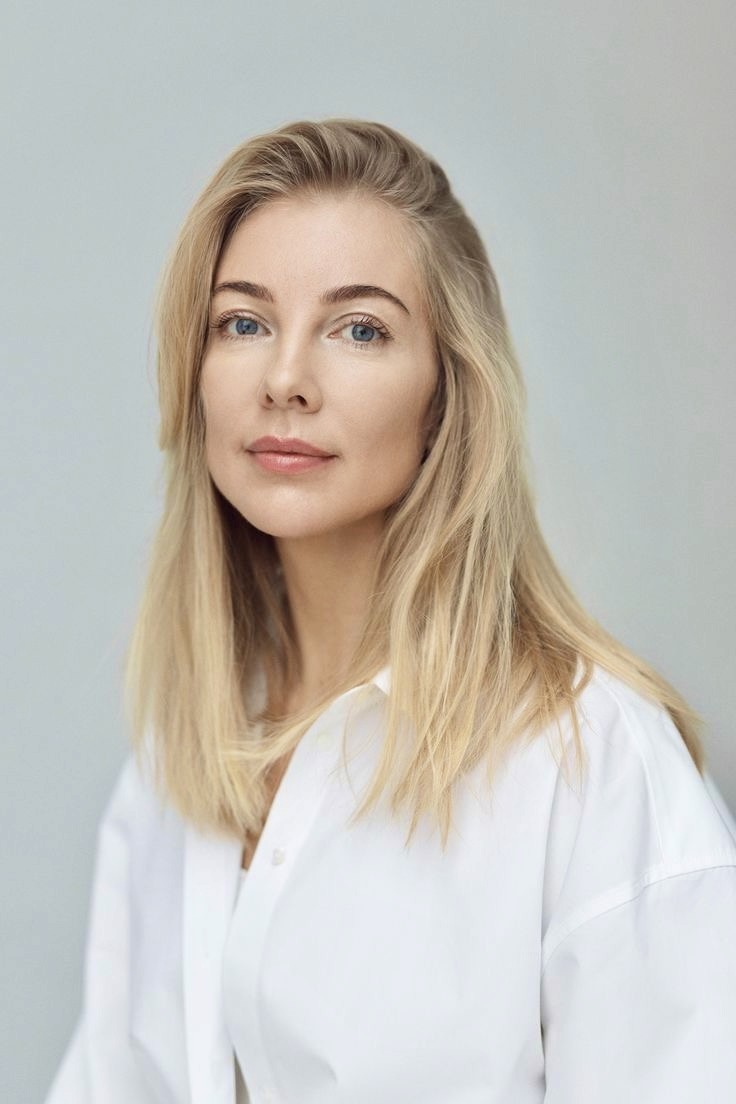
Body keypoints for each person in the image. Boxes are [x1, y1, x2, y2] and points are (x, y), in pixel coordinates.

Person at [44, 118, 736, 1104]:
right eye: (242, 322)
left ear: (448, 392)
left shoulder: (592, 770)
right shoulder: (180, 757)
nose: (284, 379)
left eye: (359, 328)